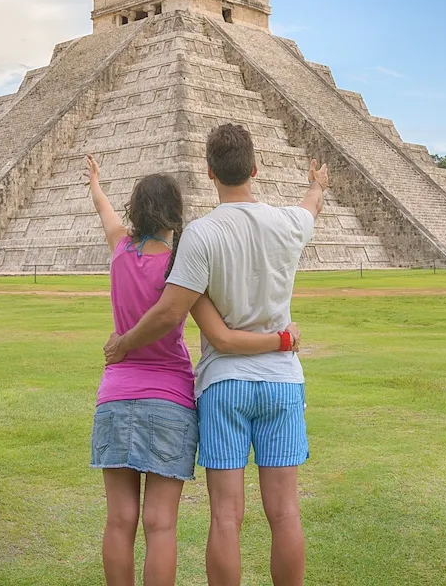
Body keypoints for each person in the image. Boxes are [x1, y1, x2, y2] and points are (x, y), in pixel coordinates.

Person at [103, 124, 328, 586]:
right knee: (285, 514)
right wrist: (316, 184)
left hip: (223, 385)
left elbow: (171, 310)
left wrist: (123, 342)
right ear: (255, 168)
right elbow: (312, 207)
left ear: (209, 172)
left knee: (226, 518)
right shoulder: (289, 222)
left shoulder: (199, 236)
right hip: (282, 381)